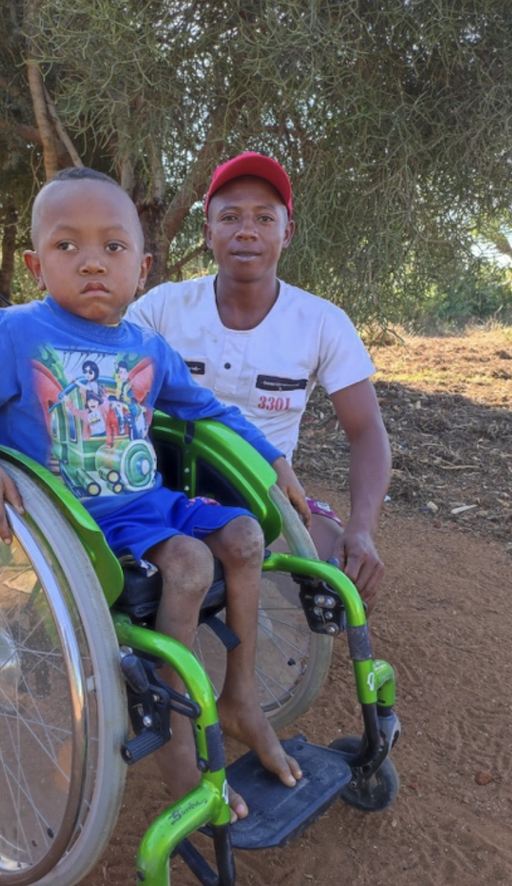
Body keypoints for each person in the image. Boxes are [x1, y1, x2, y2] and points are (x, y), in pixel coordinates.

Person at [0, 166, 305, 821]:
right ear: (36, 265)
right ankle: (173, 733)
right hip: (76, 523)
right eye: (67, 245)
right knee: (191, 563)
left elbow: (208, 411)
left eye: (113, 246)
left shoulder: (149, 345)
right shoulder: (16, 333)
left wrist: (275, 461)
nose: (92, 262)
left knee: (244, 535)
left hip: (144, 504)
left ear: (142, 268)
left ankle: (239, 698)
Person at [126, 152, 391, 610]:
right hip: (163, 493)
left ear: (287, 233)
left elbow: (366, 430)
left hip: (266, 499)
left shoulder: (321, 322)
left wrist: (362, 529)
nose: (246, 231)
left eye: (265, 218)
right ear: (208, 233)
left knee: (342, 584)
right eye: (230, 217)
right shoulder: (159, 309)